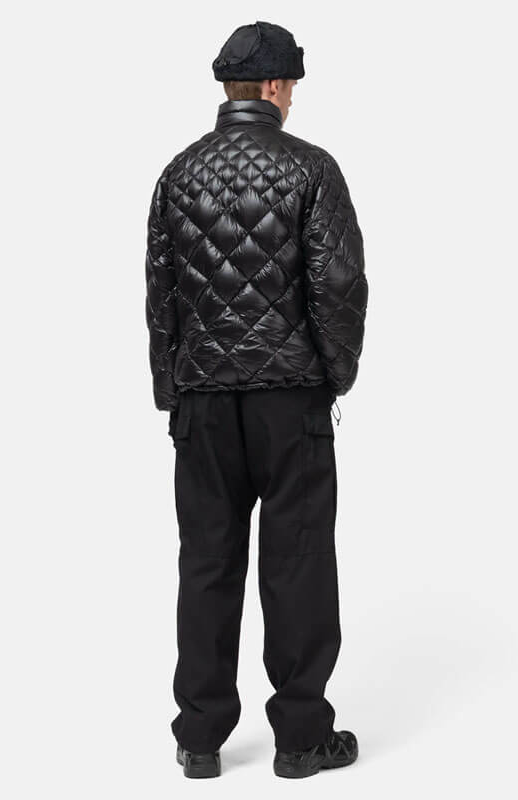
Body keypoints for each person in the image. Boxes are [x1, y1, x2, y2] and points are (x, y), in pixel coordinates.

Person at [144, 20, 368, 779]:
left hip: (203, 402)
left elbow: (160, 296)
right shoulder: (311, 168)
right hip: (289, 400)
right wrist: (334, 375)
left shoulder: (178, 173)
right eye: (292, 84)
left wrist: (171, 389)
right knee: (297, 562)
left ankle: (200, 738)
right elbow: (339, 287)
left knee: (207, 561)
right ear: (273, 85)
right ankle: (301, 740)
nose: (293, 95)